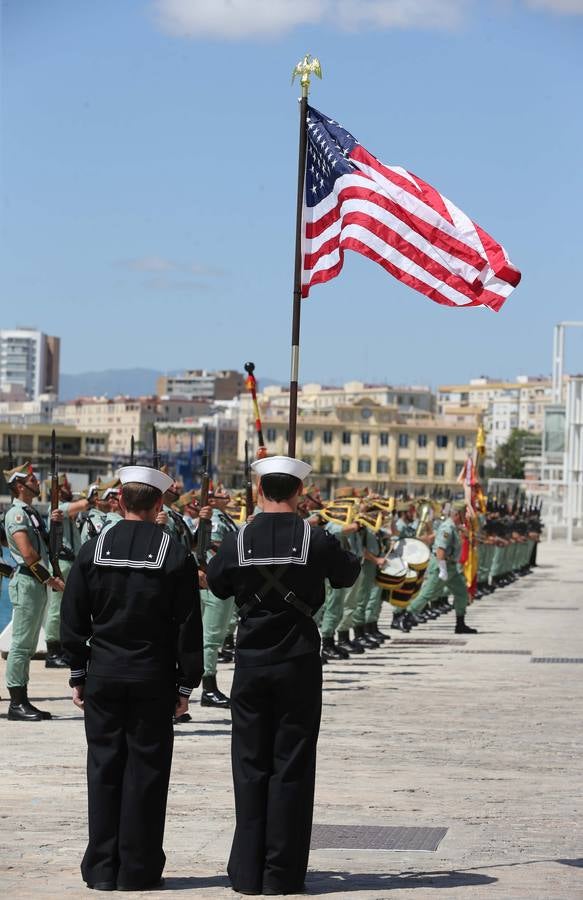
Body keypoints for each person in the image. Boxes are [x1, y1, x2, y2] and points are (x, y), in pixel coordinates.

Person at [207, 455, 360, 896]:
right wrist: (315, 533)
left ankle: (248, 872)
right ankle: (282, 873)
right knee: (291, 765)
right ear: (300, 493)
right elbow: (348, 574)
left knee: (249, 765)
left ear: (258, 491)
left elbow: (217, 584)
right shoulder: (315, 538)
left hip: (252, 661)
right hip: (298, 660)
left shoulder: (238, 539)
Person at [60, 464, 203, 892]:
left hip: (104, 673)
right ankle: (138, 868)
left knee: (103, 769)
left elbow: (72, 618)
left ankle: (102, 866)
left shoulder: (92, 548)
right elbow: (187, 625)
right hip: (152, 676)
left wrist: (78, 671)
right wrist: (185, 684)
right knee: (147, 772)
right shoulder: (175, 554)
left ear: (120, 501)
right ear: (159, 503)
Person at [3, 462, 65, 721]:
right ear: (20, 486)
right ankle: (16, 702)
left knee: (27, 645)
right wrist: (50, 579)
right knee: (21, 644)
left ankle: (23, 698)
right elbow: (28, 554)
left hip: (34, 583)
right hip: (29, 581)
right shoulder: (17, 515)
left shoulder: (30, 513)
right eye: (33, 480)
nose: (38, 483)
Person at [404, 501, 478, 635]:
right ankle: (407, 616)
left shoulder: (454, 527)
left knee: (461, 593)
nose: (465, 517)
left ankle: (460, 624)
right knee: (428, 593)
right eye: (463, 514)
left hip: (450, 567)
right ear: (457, 514)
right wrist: (442, 569)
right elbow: (440, 550)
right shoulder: (447, 528)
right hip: (440, 565)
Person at [44, 473, 89, 668]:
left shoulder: (65, 510)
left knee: (67, 607)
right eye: (67, 487)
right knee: (56, 609)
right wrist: (94, 496)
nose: (70, 489)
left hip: (70, 561)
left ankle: (62, 648)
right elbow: (82, 505)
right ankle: (52, 651)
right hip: (61, 562)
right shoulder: (58, 508)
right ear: (58, 491)